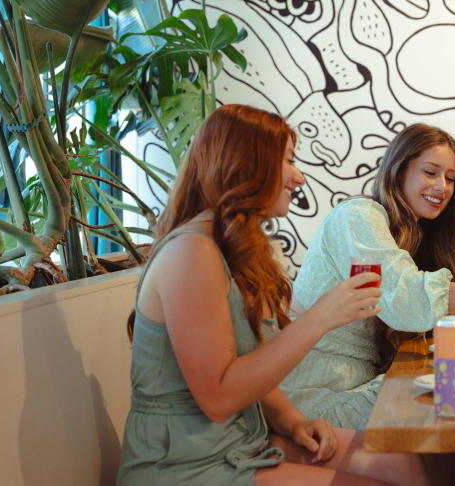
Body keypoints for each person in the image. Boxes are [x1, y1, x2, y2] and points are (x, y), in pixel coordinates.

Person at [118, 105, 436, 486]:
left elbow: (252, 368)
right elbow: (218, 398)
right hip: (184, 464)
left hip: (242, 443)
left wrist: (294, 421)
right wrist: (321, 317)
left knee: (409, 469)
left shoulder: (238, 251)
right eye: (288, 160)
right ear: (248, 163)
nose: (299, 176)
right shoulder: (192, 253)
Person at [280, 123, 455, 429]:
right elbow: (407, 297)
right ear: (398, 170)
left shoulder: (417, 237)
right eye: (430, 172)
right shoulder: (357, 215)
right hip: (314, 397)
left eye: (450, 178)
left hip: (362, 382)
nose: (442, 187)